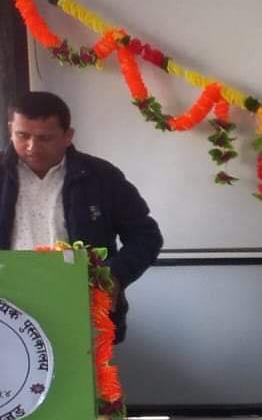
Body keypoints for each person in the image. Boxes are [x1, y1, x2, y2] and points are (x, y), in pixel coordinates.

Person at [2, 90, 162, 342]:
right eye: (22, 135)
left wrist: (114, 276)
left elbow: (146, 236)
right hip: (8, 308)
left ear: (68, 136)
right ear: (10, 129)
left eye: (45, 138)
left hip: (82, 306)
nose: (32, 147)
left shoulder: (100, 176)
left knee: (82, 368)